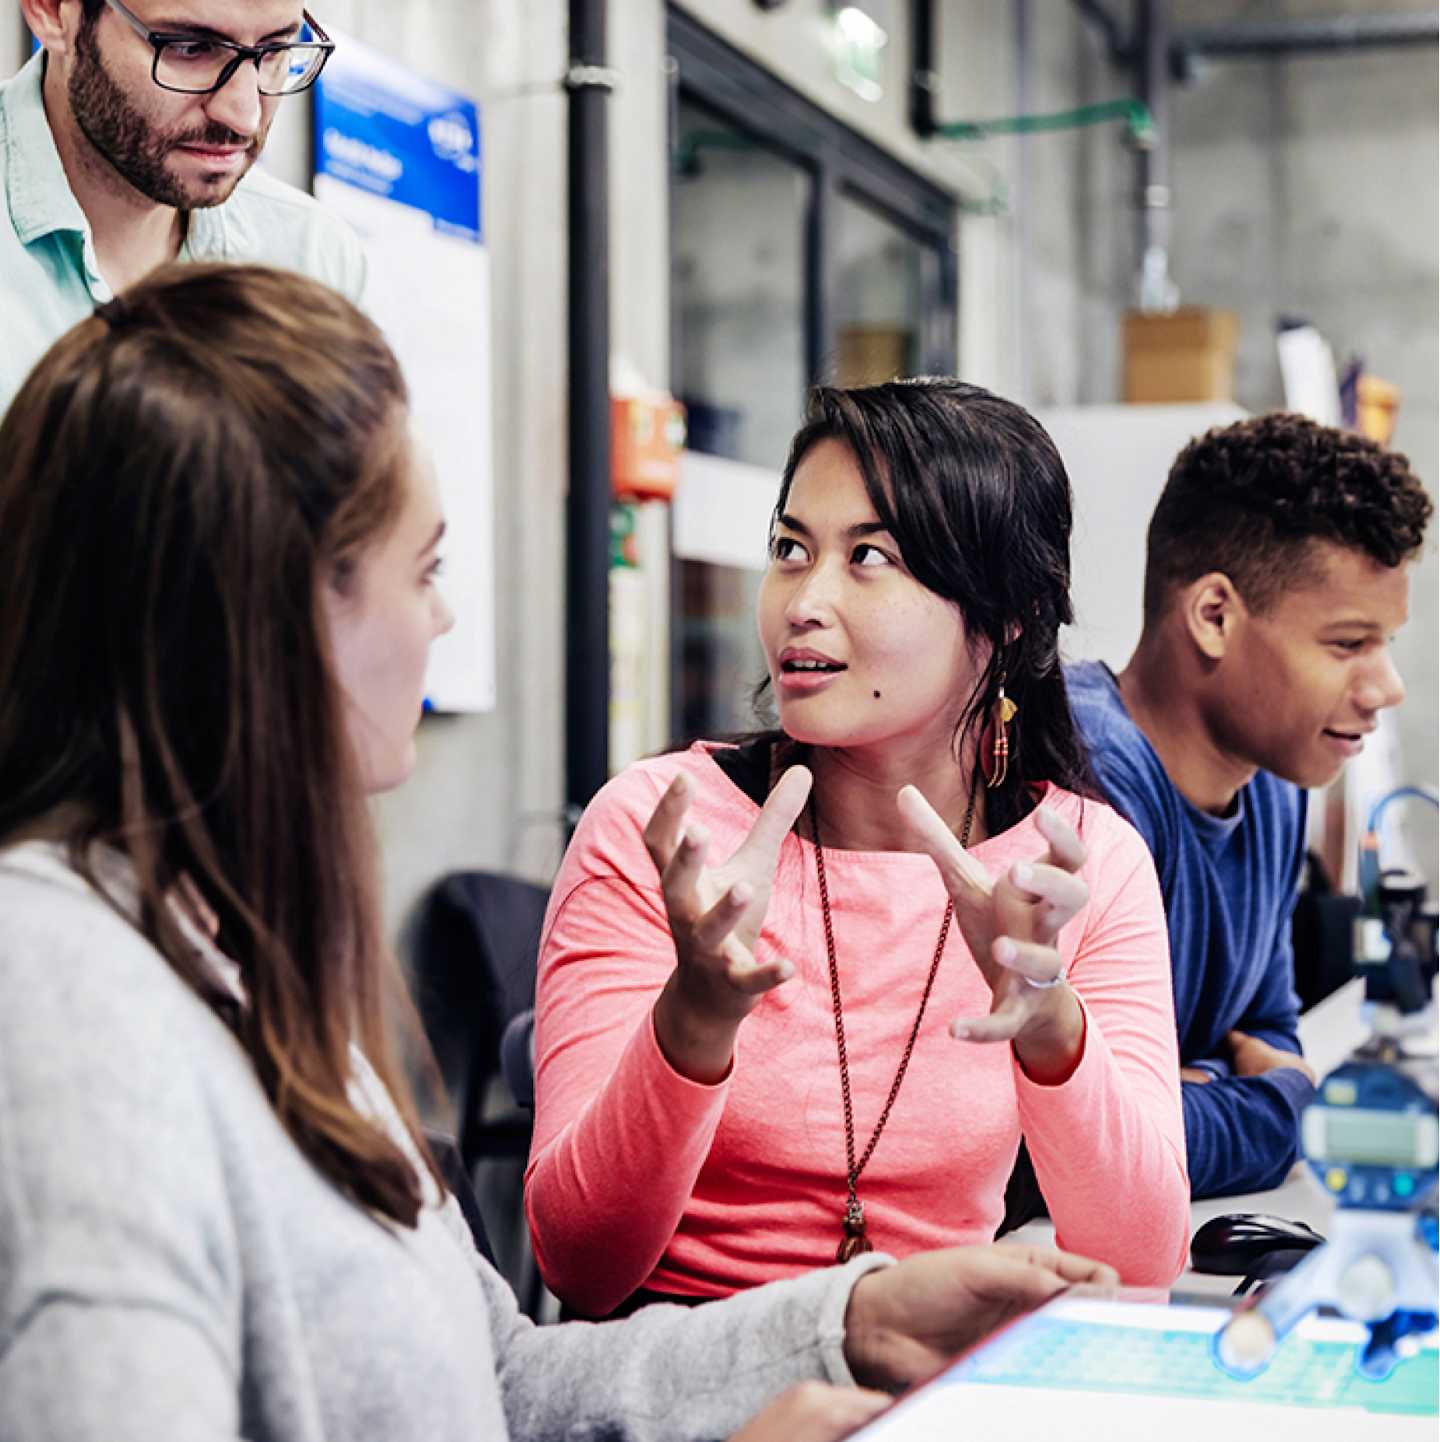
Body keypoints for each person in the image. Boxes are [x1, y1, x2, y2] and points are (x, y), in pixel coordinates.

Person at [0, 264, 1120, 1442]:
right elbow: (571, 1270)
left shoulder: (223, 949)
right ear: (267, 614)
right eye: (424, 570)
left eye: (871, 557)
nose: (441, 621)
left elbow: (498, 1379)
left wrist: (854, 1315)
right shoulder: (69, 1006)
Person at [527, 379, 1191, 1319]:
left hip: (928, 1384)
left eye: (869, 556)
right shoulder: (662, 828)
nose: (804, 601)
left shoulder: (1078, 866)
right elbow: (578, 1264)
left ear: (1008, 622)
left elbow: (1140, 1261)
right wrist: (695, 1020)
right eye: (790, 549)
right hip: (683, 1385)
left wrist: (1049, 1026)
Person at [1067, 412, 1432, 1200]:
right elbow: (1088, 1141)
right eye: (1346, 644)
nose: (1386, 689)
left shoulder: (1270, 784)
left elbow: (1268, 1031)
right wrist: (1293, 1105)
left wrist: (1201, 1091)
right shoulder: (1082, 775)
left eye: (1385, 644)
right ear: (1214, 616)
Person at [2, 0, 363, 409]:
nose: (243, 116)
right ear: (52, 11)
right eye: (190, 48)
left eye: (273, 52)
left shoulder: (314, 258)